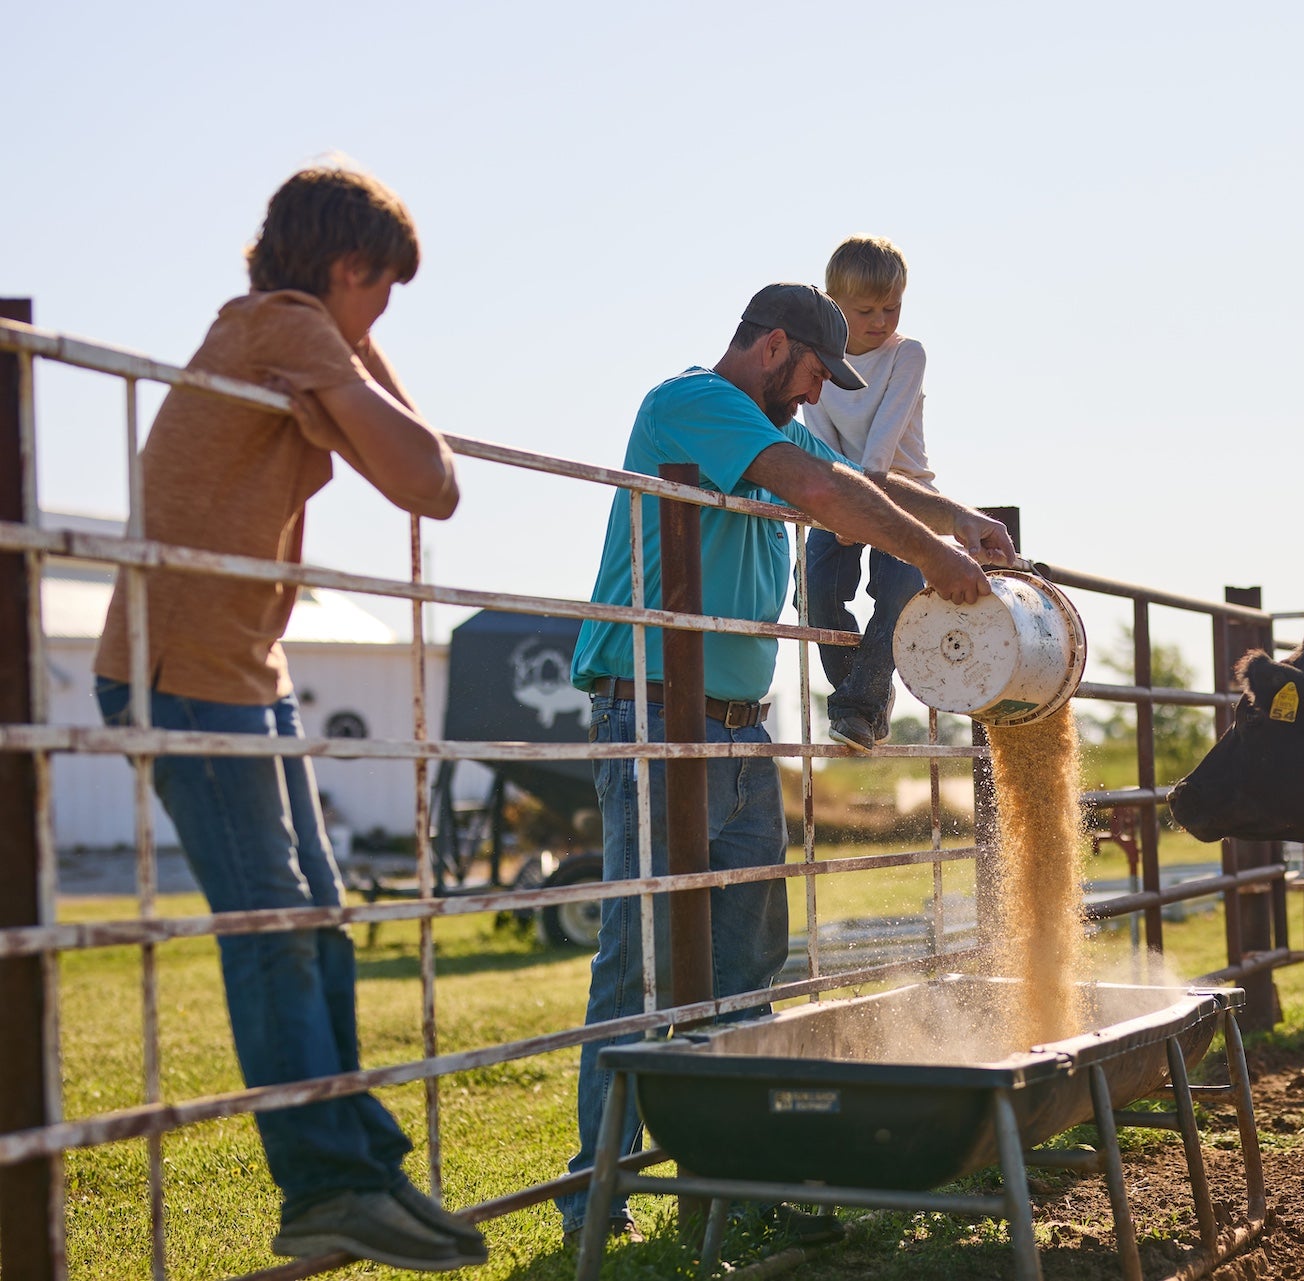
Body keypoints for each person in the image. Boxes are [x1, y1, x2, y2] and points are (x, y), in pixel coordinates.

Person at [558, 283, 1015, 1245]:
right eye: (812, 373)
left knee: (748, 958)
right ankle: (595, 1190)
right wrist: (932, 556)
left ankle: (741, 1176)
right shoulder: (693, 405)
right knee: (641, 960)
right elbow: (824, 491)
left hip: (735, 724)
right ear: (773, 347)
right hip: (654, 714)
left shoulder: (768, 429)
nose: (815, 396)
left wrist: (959, 520)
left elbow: (857, 479)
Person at [92, 167, 485, 1272]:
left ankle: (360, 1166)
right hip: (180, 669)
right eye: (385, 291)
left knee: (317, 917)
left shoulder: (295, 330)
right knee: (272, 929)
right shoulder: (288, 324)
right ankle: (321, 1187)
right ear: (346, 269)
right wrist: (352, 350)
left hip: (242, 669)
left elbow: (422, 474)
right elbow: (428, 476)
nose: (382, 320)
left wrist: (353, 360)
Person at [800, 235, 934, 753]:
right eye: (866, 310)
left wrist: (855, 503)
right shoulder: (822, 363)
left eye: (892, 307)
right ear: (836, 307)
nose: (881, 320)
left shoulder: (908, 356)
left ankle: (861, 705)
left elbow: (881, 449)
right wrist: (838, 508)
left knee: (899, 594)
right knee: (814, 592)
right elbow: (820, 441)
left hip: (903, 495)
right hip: (836, 496)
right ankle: (864, 697)